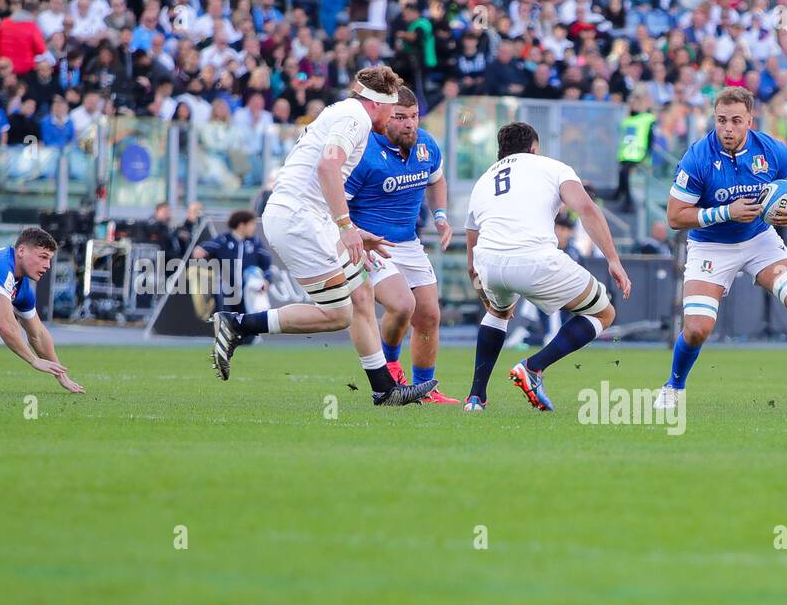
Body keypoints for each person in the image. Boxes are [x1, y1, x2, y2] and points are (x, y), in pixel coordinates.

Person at [210, 67, 435, 407]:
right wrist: (346, 227)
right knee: (338, 314)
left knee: (362, 293)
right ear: (379, 103)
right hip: (299, 219)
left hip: (312, 217)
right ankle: (238, 323)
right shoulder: (355, 118)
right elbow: (327, 169)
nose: (393, 120)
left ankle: (384, 389)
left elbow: (322, 179)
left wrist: (353, 230)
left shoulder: (346, 113)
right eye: (394, 111)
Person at [654, 86, 787, 411]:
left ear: (750, 120)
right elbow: (676, 217)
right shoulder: (697, 156)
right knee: (696, 329)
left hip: (759, 240)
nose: (728, 128)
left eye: (736, 121)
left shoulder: (770, 149)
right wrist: (726, 212)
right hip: (711, 246)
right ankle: (673, 386)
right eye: (721, 120)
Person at [462, 121, 631, 412]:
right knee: (604, 312)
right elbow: (587, 208)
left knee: (497, 312)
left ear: (501, 152)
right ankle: (534, 367)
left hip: (487, 261)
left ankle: (476, 398)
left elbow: (472, 243)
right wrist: (613, 260)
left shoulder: (483, 180)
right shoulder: (552, 167)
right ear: (534, 148)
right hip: (534, 259)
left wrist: (481, 284)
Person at [343, 85, 459, 402]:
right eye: (400, 117)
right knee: (403, 305)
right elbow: (337, 202)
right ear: (384, 117)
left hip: (409, 242)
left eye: (414, 116)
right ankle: (391, 369)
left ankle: (426, 388)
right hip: (372, 243)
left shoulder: (426, 145)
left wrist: (441, 215)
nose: (409, 124)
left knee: (429, 315)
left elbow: (437, 180)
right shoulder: (364, 153)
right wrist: (353, 234)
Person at [0, 227, 83, 394]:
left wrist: (61, 375)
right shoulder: (0, 265)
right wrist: (33, 360)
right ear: (21, 250)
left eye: (49, 259)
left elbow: (37, 334)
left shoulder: (22, 289)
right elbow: (4, 325)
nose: (47, 266)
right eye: (43, 257)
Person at [192, 210, 273, 316]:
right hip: (226, 292)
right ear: (242, 225)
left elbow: (267, 264)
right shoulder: (224, 240)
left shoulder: (255, 242)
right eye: (252, 224)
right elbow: (202, 250)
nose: (254, 227)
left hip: (247, 292)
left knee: (247, 323)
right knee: (226, 322)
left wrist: (267, 280)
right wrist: (200, 251)